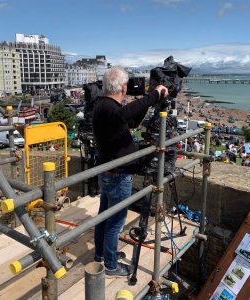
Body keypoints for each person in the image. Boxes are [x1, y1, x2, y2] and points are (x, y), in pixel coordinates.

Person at [92, 67, 168, 277]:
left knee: (104, 217)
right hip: (117, 173)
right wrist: (154, 95)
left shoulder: (103, 104)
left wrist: (147, 100)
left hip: (110, 171)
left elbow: (131, 120)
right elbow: (125, 114)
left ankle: (102, 255)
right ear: (123, 87)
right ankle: (110, 265)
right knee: (115, 222)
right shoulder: (109, 107)